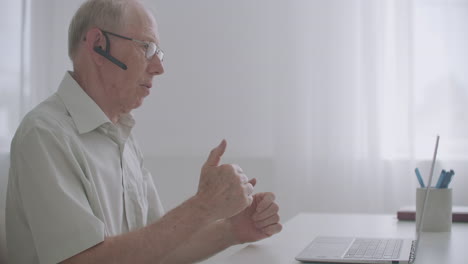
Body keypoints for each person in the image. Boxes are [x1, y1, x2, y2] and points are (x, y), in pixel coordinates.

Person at [5, 0, 282, 263]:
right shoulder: (44, 135)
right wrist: (202, 206)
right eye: (146, 48)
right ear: (98, 45)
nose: (159, 68)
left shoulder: (121, 135)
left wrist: (232, 230)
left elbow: (155, 248)